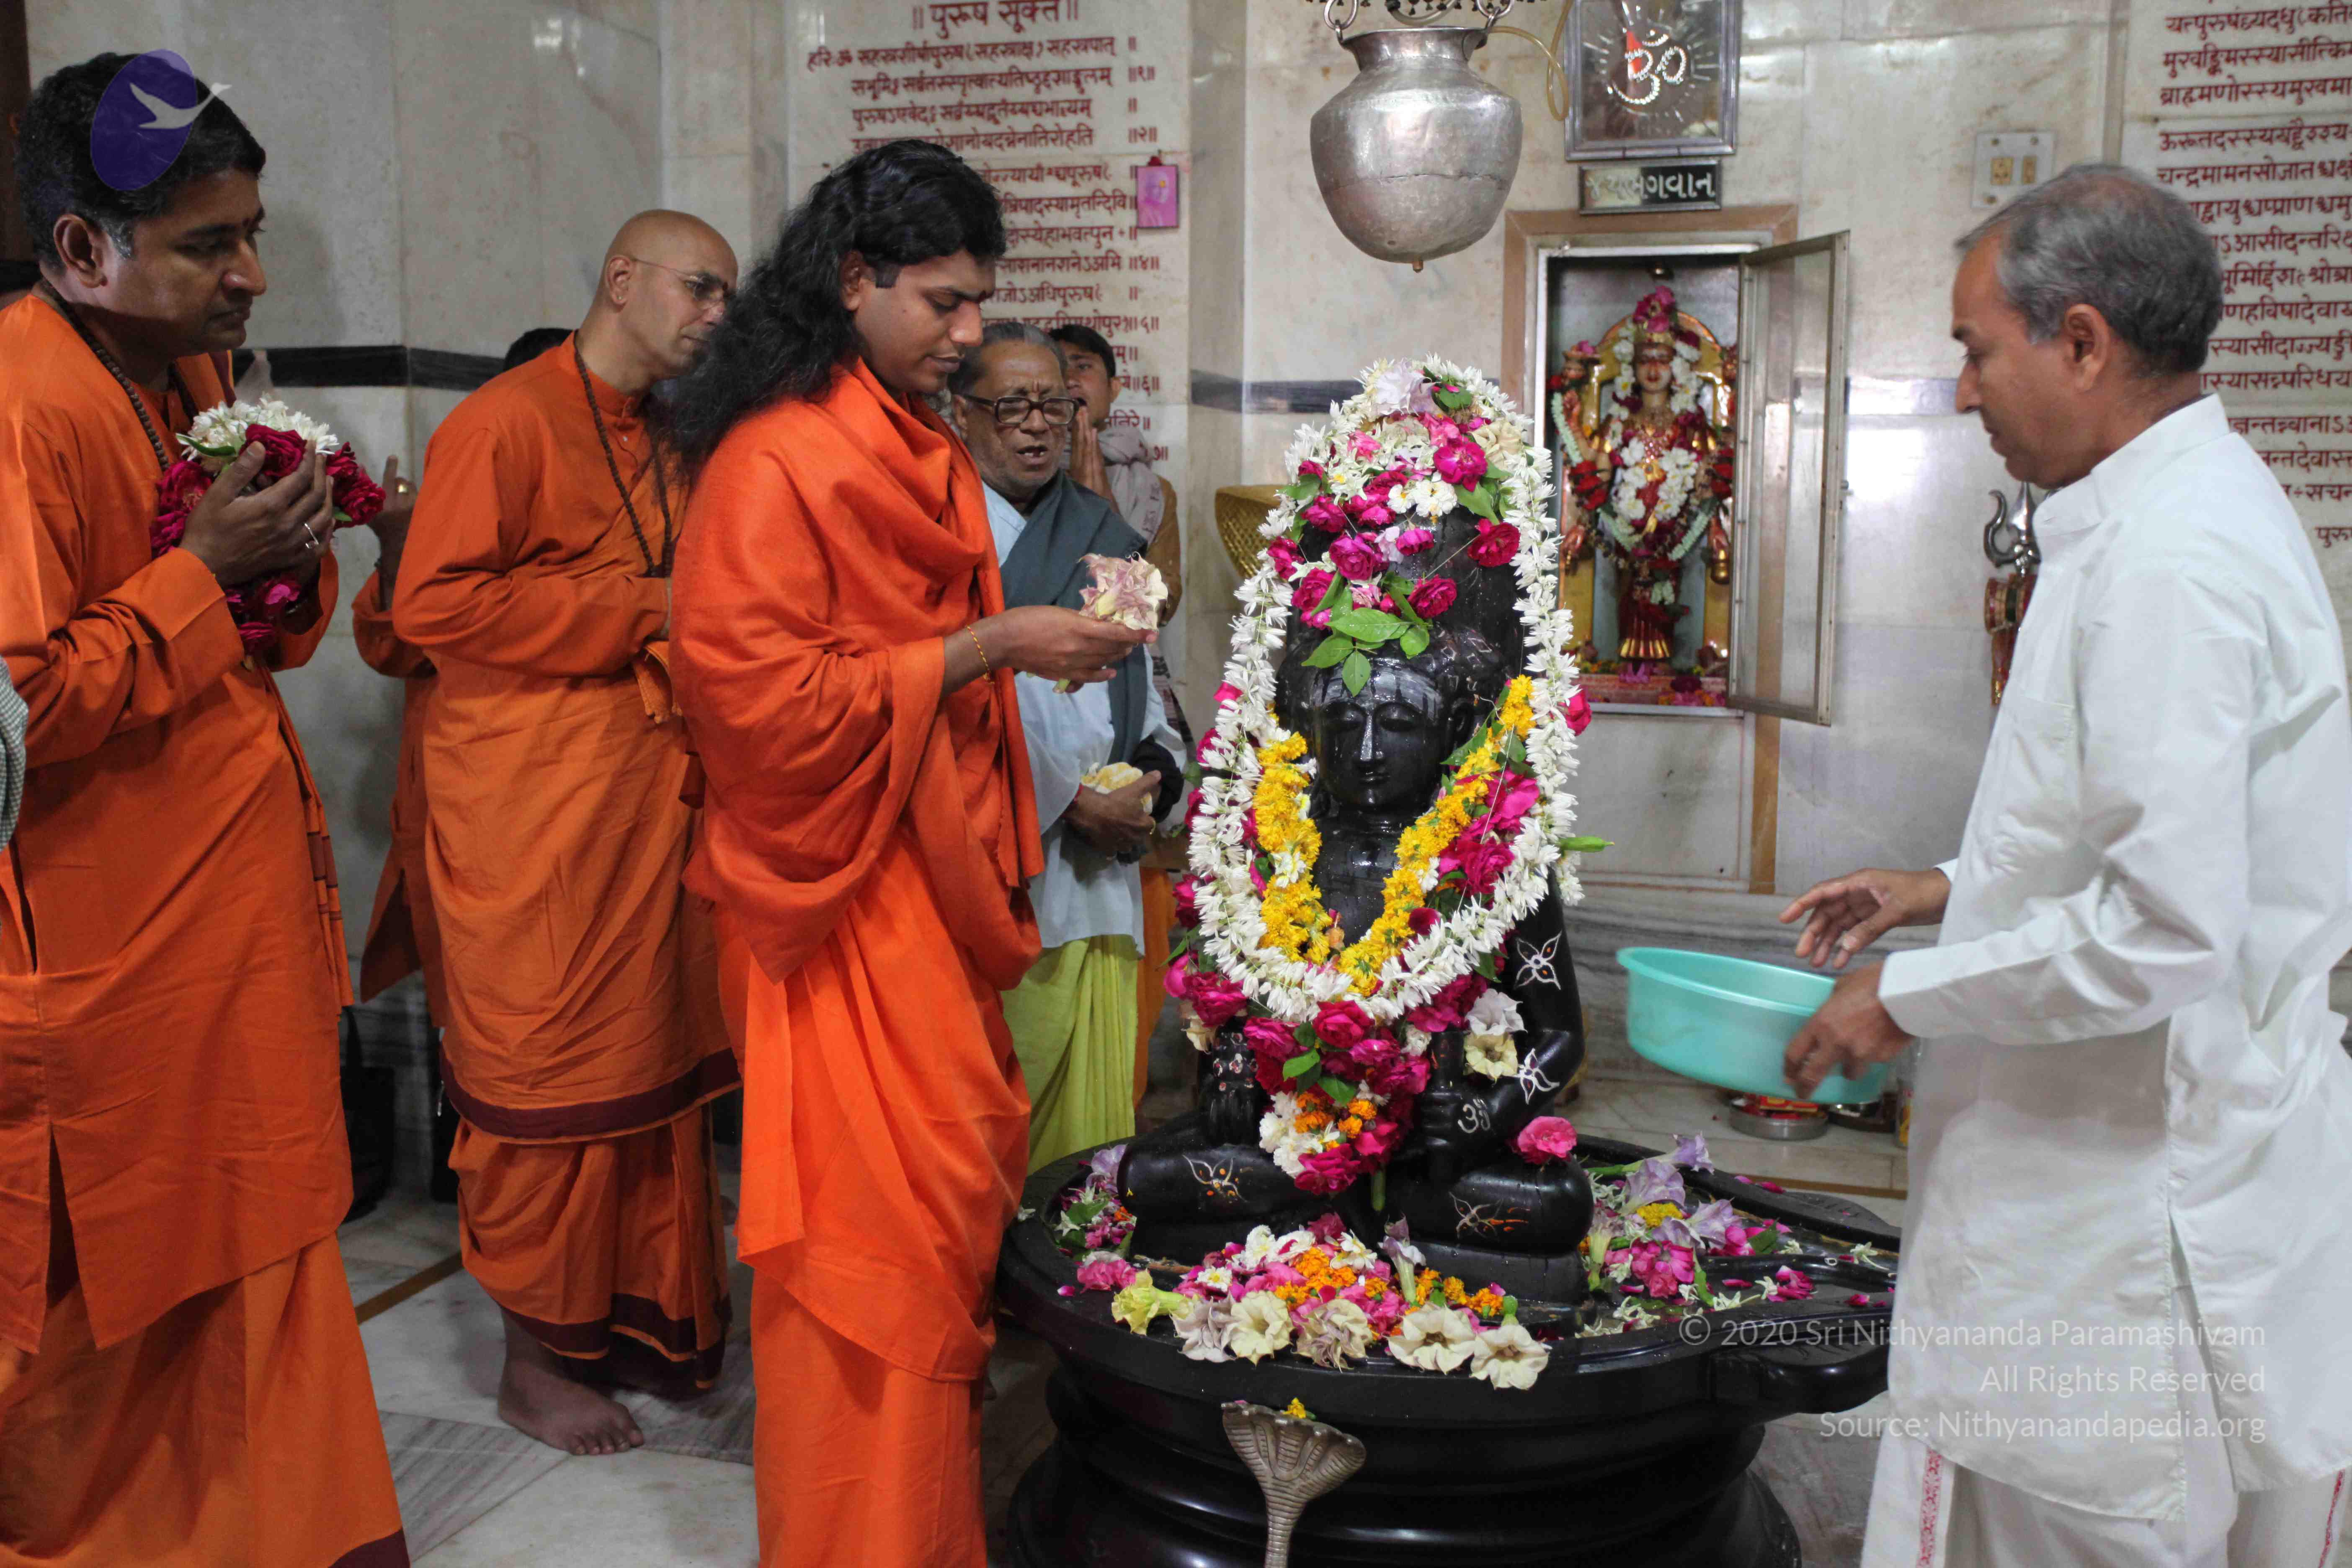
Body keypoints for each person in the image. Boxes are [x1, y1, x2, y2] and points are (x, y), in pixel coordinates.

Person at [1779, 165, 2352, 1568]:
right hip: (2119, 1174)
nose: (1962, 391)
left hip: (2114, 1214)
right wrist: (1940, 888)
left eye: (1978, 350)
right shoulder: (2165, 513)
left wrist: (1900, 996)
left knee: (2073, 1533)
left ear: (2082, 343)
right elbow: (2137, 830)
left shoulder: (2171, 559)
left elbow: (2164, 924)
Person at [665, 139, 1150, 1567]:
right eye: (943, 302)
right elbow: (757, 709)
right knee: (858, 1271)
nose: (967, 332)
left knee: (935, 1242)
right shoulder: (772, 460)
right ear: (851, 280)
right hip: (834, 908)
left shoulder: (911, 443)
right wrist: (993, 643)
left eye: (977, 300)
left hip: (930, 894)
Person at [0, 53, 405, 1565]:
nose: (250, 275)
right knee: (121, 1285)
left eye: (253, 233)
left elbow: (243, 642)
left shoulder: (181, 374)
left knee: (262, 1241)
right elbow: (21, 711)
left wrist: (295, 548)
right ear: (80, 249)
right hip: (108, 958)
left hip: (222, 923)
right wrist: (202, 574)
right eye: (207, 244)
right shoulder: (20, 403)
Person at [393, 212, 741, 1457]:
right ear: (622, 280)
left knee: (646, 1081)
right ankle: (531, 1366)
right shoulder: (503, 422)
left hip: (645, 811)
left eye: (727, 296)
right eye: (700, 288)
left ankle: (635, 1326)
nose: (715, 314)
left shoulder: (678, 434)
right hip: (532, 816)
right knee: (546, 1087)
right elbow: (433, 604)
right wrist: (645, 607)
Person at [948, 322, 1182, 1169]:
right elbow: (936, 708)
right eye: (1011, 406)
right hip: (995, 875)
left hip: (1102, 880)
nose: (1037, 426)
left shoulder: (1110, 537)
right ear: (961, 412)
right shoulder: (938, 538)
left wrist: (1151, 781)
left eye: (1053, 405)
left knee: (1089, 1158)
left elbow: (1146, 695)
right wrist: (1068, 801)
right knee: (984, 1138)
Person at [352, 327, 568, 1202]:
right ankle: (492, 1191)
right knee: (482, 1025)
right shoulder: (463, 498)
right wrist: (396, 545)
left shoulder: (612, 502)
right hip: (473, 814)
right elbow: (393, 647)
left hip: (575, 811)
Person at [1049, 321, 1191, 1099]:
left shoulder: (1143, 503)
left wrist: (1095, 496)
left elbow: (1142, 618)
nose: (1067, 392)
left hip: (1126, 720)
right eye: (1023, 402)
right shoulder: (982, 512)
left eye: (1081, 371)